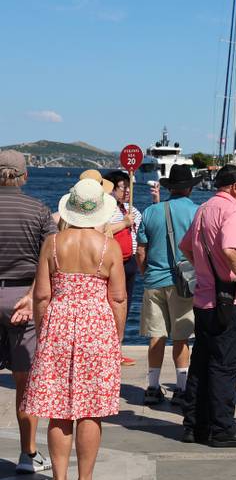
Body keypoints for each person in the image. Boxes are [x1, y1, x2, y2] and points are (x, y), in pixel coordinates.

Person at [23, 179, 127, 480]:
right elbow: (118, 298)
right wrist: (116, 337)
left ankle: (60, 477)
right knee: (90, 409)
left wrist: (46, 330)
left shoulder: (53, 243)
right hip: (97, 327)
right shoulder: (108, 246)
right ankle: (86, 478)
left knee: (58, 409)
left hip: (58, 322)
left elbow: (42, 295)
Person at [178, 163, 236, 448]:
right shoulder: (231, 211)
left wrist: (203, 269)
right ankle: (223, 427)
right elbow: (229, 248)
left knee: (202, 363)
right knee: (225, 364)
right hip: (228, 298)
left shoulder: (203, 209)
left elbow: (185, 246)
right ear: (235, 186)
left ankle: (195, 425)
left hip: (204, 297)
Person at [0, 150, 56, 474]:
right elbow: (50, 259)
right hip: (23, 298)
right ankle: (27, 454)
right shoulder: (39, 211)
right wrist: (33, 294)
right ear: (24, 176)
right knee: (25, 381)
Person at [135, 164, 201, 406]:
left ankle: (152, 387)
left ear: (170, 188)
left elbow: (140, 251)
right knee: (182, 338)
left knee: (156, 336)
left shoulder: (151, 212)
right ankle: (181, 389)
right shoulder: (196, 212)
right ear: (190, 189)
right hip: (183, 282)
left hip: (154, 280)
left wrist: (146, 274)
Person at [103, 170, 142, 367]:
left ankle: (117, 348)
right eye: (122, 187)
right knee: (111, 306)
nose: (127, 190)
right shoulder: (105, 208)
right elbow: (102, 231)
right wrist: (124, 223)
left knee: (124, 306)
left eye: (128, 186)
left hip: (129, 262)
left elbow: (140, 228)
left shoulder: (129, 209)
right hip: (112, 263)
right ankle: (107, 350)